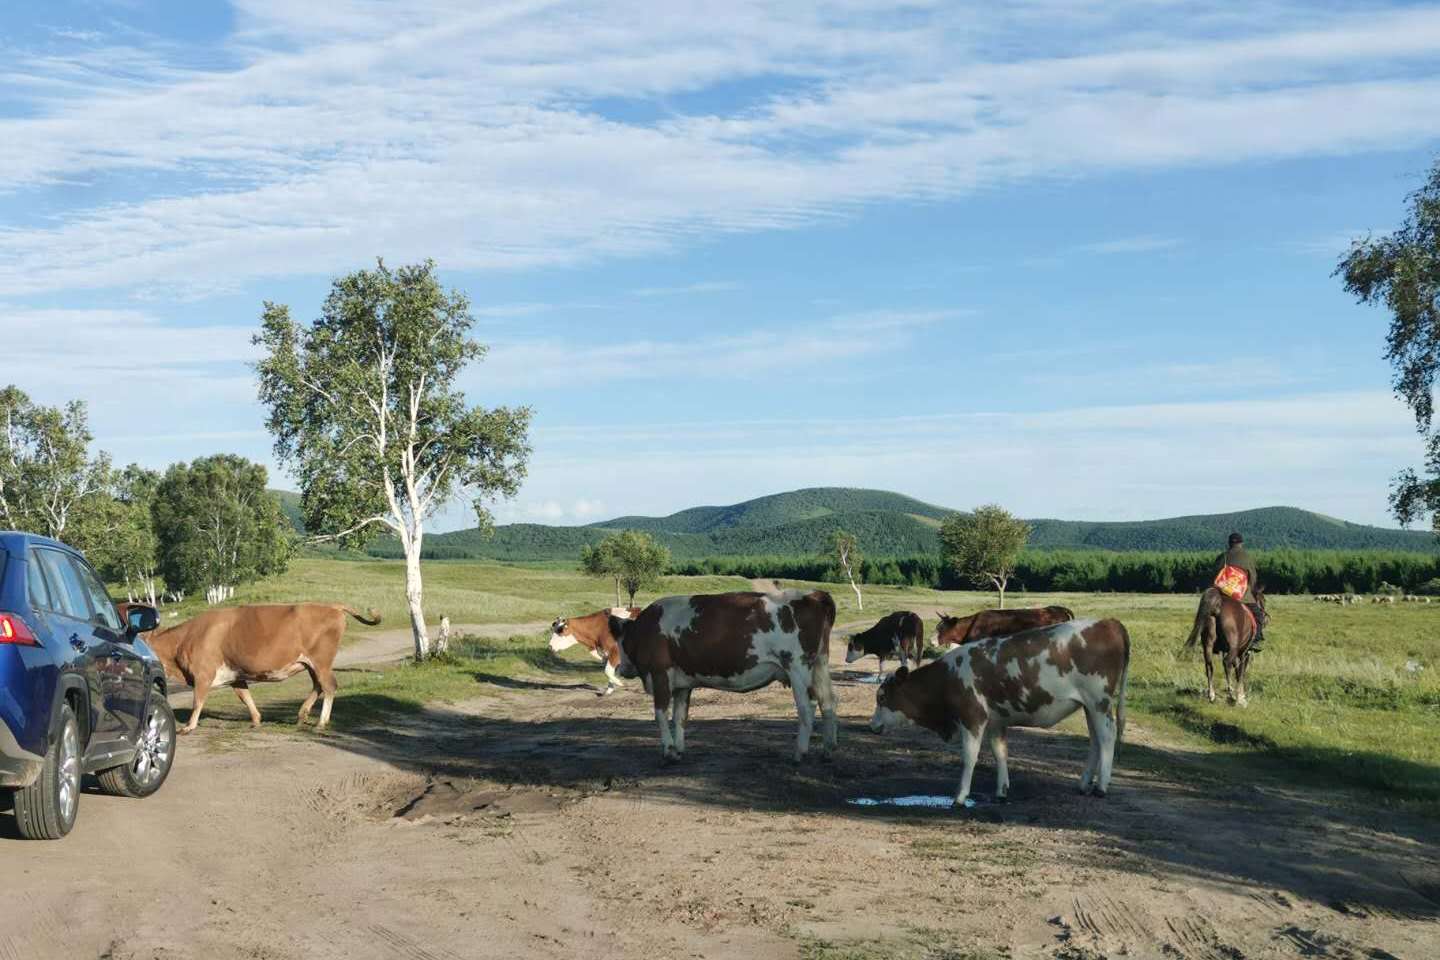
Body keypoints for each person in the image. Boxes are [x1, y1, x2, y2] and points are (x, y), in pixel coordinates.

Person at [1215, 532, 1264, 652]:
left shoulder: (1222, 557)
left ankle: (1213, 642)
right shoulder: (1247, 557)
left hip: (1223, 595)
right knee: (1258, 615)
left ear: (1229, 543)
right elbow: (1253, 578)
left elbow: (1215, 576)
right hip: (1242, 595)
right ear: (1241, 543)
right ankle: (1256, 640)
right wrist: (1249, 589)